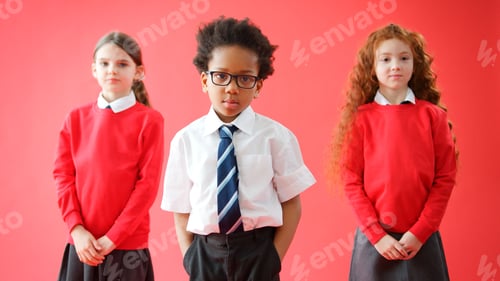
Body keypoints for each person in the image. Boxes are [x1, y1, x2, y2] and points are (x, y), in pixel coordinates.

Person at [161, 17, 316, 281]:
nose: (232, 88)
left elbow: (292, 204)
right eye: (221, 76)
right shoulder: (185, 140)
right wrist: (190, 258)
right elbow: (181, 208)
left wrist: (273, 257)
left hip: (258, 252)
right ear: (204, 80)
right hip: (206, 254)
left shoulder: (276, 137)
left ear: (258, 86)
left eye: (244, 78)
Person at [328, 23, 458, 280]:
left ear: (415, 64)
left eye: (403, 58)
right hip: (375, 242)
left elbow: (444, 179)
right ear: (372, 68)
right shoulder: (360, 119)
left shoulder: (433, 117)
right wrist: (377, 235)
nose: (395, 65)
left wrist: (420, 232)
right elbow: (352, 182)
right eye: (385, 59)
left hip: (421, 240)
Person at [53, 31, 164, 281]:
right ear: (94, 69)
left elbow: (147, 187)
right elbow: (63, 177)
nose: (111, 70)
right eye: (104, 64)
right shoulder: (75, 119)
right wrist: (77, 229)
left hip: (127, 249)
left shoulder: (150, 121)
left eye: (122, 64)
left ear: (138, 72)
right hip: (82, 246)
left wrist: (113, 238)